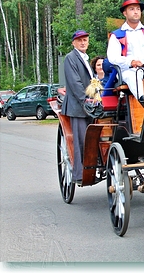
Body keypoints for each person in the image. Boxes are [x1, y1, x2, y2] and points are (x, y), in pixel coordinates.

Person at [106, 0, 144, 102]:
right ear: (125, 13)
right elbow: (113, 58)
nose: (136, 12)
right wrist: (131, 62)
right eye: (132, 9)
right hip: (129, 71)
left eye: (138, 9)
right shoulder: (117, 35)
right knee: (132, 78)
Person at [61, 30, 94, 185]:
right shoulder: (70, 58)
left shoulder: (85, 58)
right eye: (79, 40)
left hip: (88, 104)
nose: (83, 43)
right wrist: (86, 100)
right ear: (73, 43)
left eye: (85, 40)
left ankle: (91, 167)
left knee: (91, 139)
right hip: (78, 107)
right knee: (81, 140)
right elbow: (75, 83)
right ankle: (79, 174)